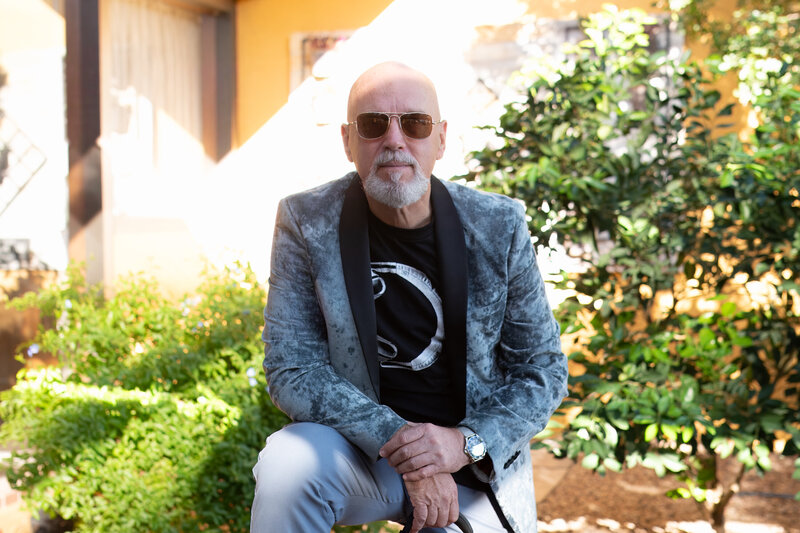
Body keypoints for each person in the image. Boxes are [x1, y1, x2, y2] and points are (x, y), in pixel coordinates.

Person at [250, 61, 568, 533]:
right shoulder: (306, 220)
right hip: (364, 453)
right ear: (348, 141)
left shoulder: (498, 225)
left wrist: (463, 444)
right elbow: (292, 367)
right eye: (374, 125)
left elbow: (541, 371)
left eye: (415, 124)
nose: (395, 141)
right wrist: (403, 444)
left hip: (472, 467)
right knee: (287, 466)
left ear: (440, 139)